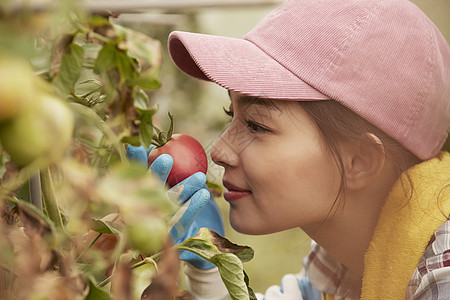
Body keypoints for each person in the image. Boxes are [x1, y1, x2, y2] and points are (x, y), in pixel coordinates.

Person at [129, 0, 450, 298]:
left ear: (359, 161)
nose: (218, 152)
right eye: (232, 114)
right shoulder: (339, 268)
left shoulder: (442, 274)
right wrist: (208, 267)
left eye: (256, 125)